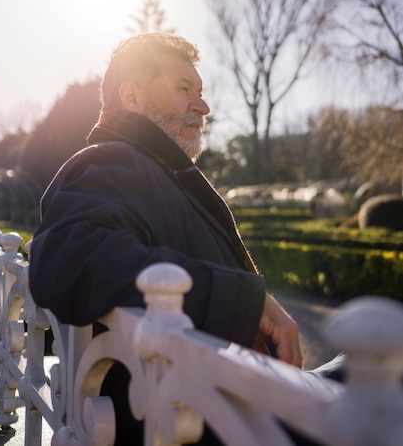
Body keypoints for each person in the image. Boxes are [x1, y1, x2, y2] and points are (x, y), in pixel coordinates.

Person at [29, 32, 327, 445]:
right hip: (195, 422)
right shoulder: (110, 162)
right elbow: (67, 261)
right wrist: (245, 300)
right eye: (184, 89)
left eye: (201, 92)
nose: (202, 105)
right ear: (131, 96)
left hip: (230, 406)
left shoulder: (157, 172)